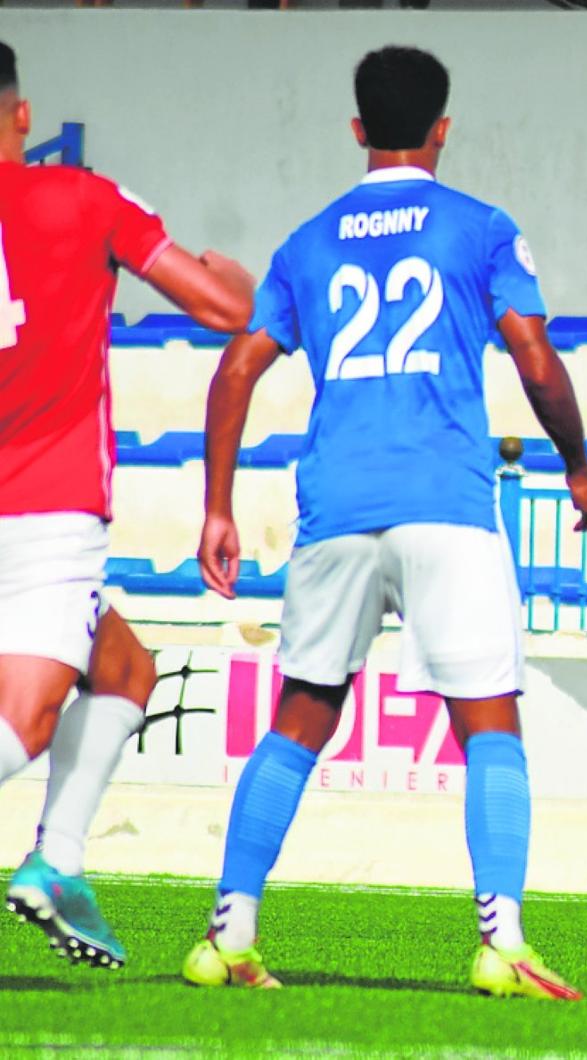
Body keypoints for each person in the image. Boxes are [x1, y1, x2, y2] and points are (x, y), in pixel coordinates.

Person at [182, 45, 587, 999]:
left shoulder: (307, 242)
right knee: (490, 724)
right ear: (444, 129)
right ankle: (501, 939)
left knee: (299, 718)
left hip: (334, 507)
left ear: (358, 129)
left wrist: (217, 505)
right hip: (446, 504)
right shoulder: (481, 228)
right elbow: (535, 361)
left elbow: (237, 369)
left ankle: (228, 933)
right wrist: (579, 468)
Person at [0, 40, 254, 968]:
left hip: (32, 518)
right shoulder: (84, 199)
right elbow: (223, 312)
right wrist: (238, 279)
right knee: (22, 728)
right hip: (45, 511)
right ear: (24, 115)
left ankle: (57, 862)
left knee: (128, 670)